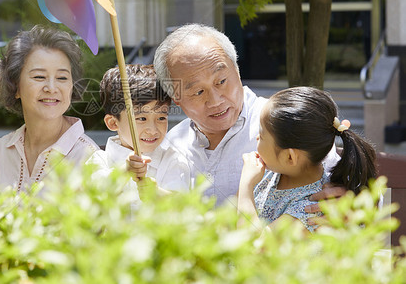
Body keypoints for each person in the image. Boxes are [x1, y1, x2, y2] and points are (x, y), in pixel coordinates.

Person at [128, 23, 341, 207]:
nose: (216, 100)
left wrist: (348, 193)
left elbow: (341, 181)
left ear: (237, 71)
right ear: (176, 98)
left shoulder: (287, 123)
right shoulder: (170, 145)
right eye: (198, 92)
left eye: (221, 81)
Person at [237, 87, 378, 232]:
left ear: (289, 157)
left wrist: (246, 185)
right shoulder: (270, 173)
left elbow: (254, 246)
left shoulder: (313, 208)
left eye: (262, 134)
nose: (257, 138)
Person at [0, 25, 98, 192]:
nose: (51, 88)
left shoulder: (90, 160)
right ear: (15, 86)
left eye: (62, 77)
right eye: (39, 76)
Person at [87, 64, 190, 196]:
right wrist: (125, 172)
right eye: (141, 119)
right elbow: (94, 197)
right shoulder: (99, 160)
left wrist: (157, 194)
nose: (153, 130)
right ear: (113, 123)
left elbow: (183, 205)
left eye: (161, 118)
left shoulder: (172, 159)